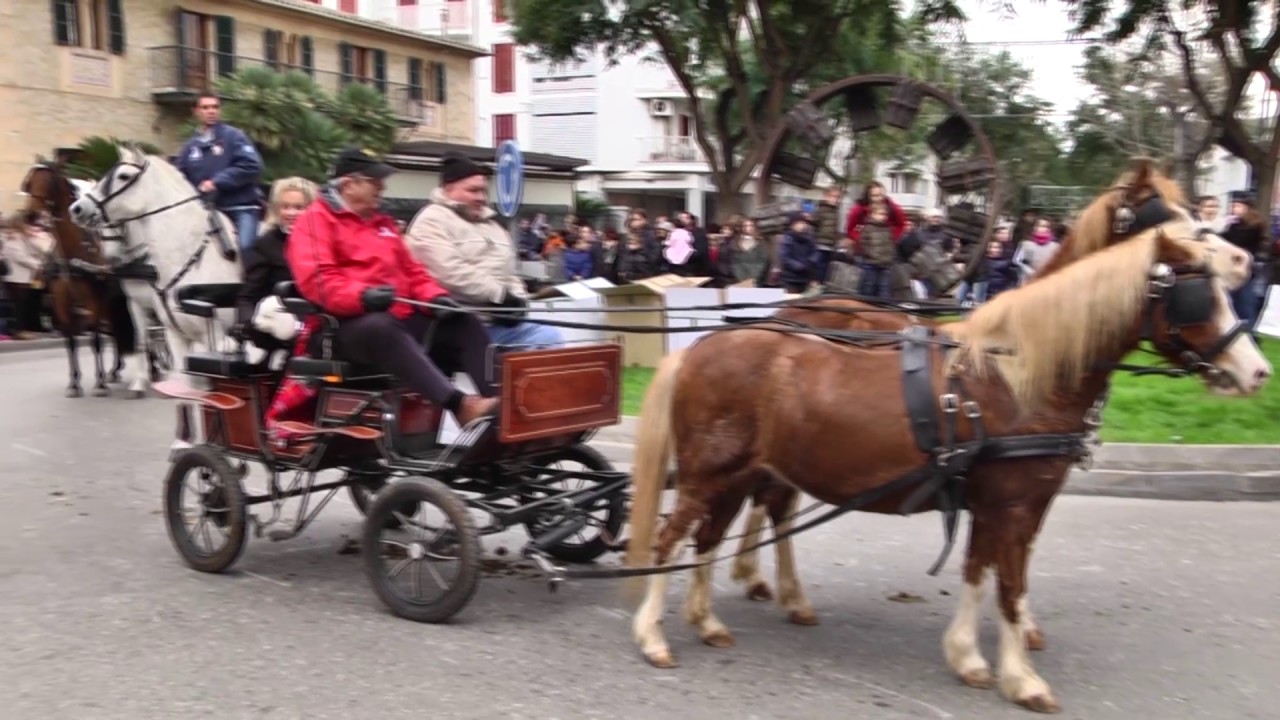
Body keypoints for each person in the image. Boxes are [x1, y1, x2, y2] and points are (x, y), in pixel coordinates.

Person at [285, 148, 497, 426]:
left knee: (463, 320)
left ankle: (502, 405)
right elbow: (319, 281)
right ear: (348, 185)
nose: (382, 187)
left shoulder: (382, 223)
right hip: (340, 328)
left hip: (396, 320)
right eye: (374, 181)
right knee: (380, 326)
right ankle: (459, 405)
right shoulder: (314, 221)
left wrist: (437, 297)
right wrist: (362, 296)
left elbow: (412, 271)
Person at [404, 152, 563, 349]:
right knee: (543, 340)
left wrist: (518, 301)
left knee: (550, 337)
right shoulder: (431, 220)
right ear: (448, 189)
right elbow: (450, 272)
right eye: (473, 190)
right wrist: (499, 296)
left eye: (483, 191)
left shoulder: (493, 226)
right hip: (456, 322)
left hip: (497, 321)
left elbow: (509, 272)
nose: (481, 197)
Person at [234, 176, 318, 361]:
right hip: (282, 320)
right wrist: (251, 327)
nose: (291, 213)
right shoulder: (267, 244)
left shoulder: (324, 241)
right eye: (285, 206)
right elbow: (249, 295)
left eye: (298, 207)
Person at [174, 91, 264, 251]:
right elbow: (179, 177)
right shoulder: (190, 146)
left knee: (246, 249)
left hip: (241, 209)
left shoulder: (234, 136)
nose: (211, 111)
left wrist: (216, 182)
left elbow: (252, 165)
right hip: (208, 212)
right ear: (195, 111)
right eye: (205, 107)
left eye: (215, 107)